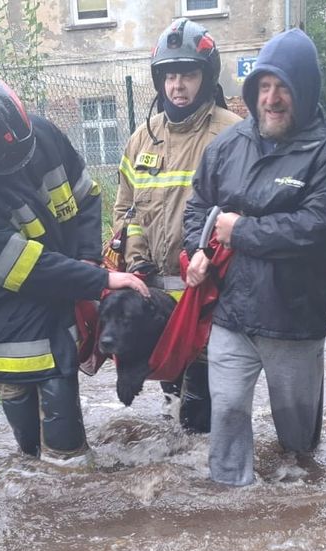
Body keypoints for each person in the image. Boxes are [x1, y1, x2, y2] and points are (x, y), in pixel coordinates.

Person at [0, 68, 149, 464]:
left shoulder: (39, 137)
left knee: (66, 458)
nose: (19, 164)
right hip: (2, 322)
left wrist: (86, 259)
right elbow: (22, 267)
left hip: (56, 302)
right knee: (30, 457)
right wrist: (99, 279)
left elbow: (86, 198)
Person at [183, 29, 326, 486]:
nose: (272, 98)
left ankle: (300, 513)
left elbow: (321, 228)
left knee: (298, 446)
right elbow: (199, 205)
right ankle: (231, 514)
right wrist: (197, 250)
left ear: (305, 91)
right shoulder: (228, 144)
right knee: (225, 416)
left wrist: (241, 231)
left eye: (283, 87)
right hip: (232, 314)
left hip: (295, 319)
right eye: (263, 86)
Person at [112, 18, 240, 434]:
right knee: (171, 392)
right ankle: (178, 468)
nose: (177, 85)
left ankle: (203, 475)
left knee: (199, 407)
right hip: (158, 292)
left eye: (187, 74)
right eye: (169, 75)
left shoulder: (232, 133)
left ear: (205, 76)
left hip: (211, 292)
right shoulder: (141, 139)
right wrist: (134, 262)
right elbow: (125, 210)